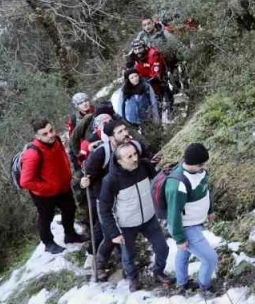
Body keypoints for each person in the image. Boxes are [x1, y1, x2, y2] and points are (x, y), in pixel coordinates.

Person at [80, 119, 154, 275]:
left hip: (126, 196)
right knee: (107, 231)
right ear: (111, 137)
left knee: (120, 231)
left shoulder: (133, 147)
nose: (126, 133)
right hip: (105, 196)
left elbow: (145, 160)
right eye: (120, 132)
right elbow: (88, 173)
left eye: (125, 129)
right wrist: (85, 181)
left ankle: (123, 262)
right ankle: (98, 262)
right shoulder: (102, 152)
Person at [97, 139, 171, 291]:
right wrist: (114, 233)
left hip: (149, 218)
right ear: (119, 161)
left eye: (135, 154)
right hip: (126, 224)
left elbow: (158, 182)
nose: (134, 159)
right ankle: (133, 278)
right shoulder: (111, 180)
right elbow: (104, 210)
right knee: (128, 256)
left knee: (162, 248)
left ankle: (158, 272)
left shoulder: (144, 166)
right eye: (129, 157)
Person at [18, 119, 86, 255]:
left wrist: (67, 174)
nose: (50, 135)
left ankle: (70, 235)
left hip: (62, 187)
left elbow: (62, 158)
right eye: (45, 134)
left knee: (69, 209)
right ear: (37, 136)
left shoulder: (56, 141)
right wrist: (48, 187)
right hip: (43, 194)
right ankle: (48, 243)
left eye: (51, 130)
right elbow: (25, 181)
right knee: (45, 218)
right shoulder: (33, 153)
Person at [166, 143, 217, 295]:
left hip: (196, 222)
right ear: (194, 164)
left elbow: (205, 190)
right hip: (186, 227)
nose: (204, 167)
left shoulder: (200, 172)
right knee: (210, 259)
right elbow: (173, 214)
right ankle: (205, 286)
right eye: (202, 164)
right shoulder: (178, 184)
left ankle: (182, 283)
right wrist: (180, 238)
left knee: (184, 253)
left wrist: (210, 210)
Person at [65, 93, 96, 168]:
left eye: (86, 100)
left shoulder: (97, 111)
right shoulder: (74, 119)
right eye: (80, 103)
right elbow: (72, 138)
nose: (84, 104)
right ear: (76, 106)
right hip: (84, 148)